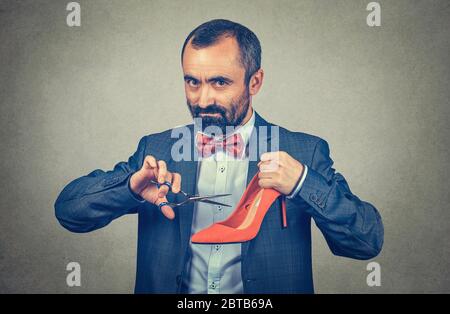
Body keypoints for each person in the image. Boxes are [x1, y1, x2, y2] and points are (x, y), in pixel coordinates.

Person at [55, 19, 383, 294]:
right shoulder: (156, 150)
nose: (203, 98)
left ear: (255, 81)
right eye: (192, 82)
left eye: (220, 82)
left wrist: (302, 183)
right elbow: (69, 211)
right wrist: (128, 187)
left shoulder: (303, 152)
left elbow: (365, 242)